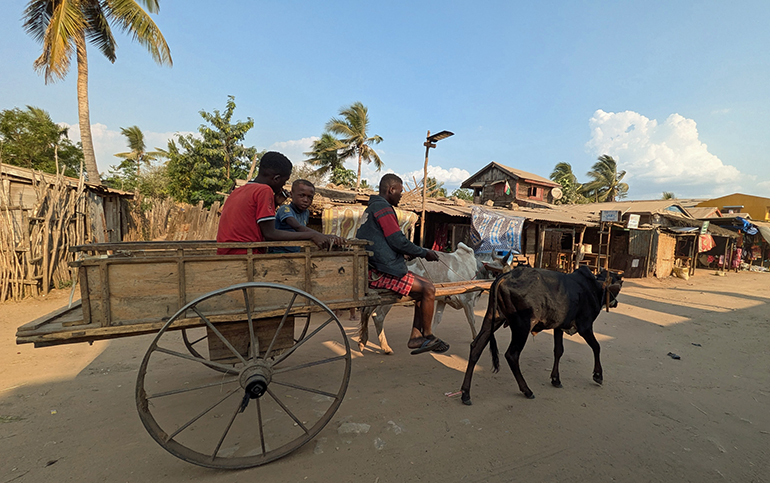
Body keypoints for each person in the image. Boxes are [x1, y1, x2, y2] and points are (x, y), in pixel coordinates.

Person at [356, 173, 448, 355]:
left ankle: (415, 336)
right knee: (429, 289)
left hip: (373, 264)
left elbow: (383, 241)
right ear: (391, 189)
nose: (401, 195)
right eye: (400, 191)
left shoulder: (372, 208)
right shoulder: (384, 208)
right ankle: (428, 335)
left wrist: (402, 254)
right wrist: (424, 252)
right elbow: (398, 240)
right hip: (379, 271)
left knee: (421, 289)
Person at [216, 152, 339, 255]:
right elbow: (270, 233)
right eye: (284, 181)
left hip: (226, 252)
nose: (283, 186)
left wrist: (274, 203)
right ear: (276, 179)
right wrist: (311, 235)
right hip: (246, 253)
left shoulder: (239, 190)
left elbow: (251, 221)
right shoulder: (264, 190)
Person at [269, 179, 317, 254]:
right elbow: (298, 227)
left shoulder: (306, 212)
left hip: (295, 253)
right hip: (278, 252)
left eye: (310, 197)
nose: (305, 200)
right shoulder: (284, 209)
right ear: (291, 194)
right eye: (302, 195)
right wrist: (318, 236)